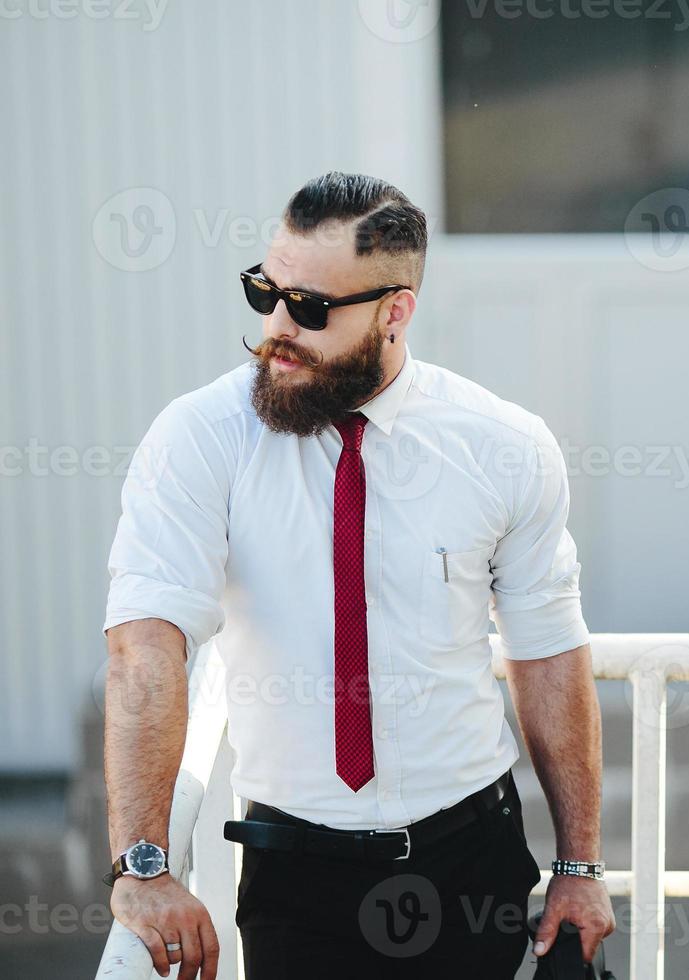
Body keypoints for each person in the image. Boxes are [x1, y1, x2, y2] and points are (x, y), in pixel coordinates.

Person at [101, 173, 613, 979]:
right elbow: (146, 649)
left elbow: (547, 652)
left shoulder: (504, 446)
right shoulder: (199, 439)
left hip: (470, 859)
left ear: (395, 311)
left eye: (309, 310)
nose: (276, 329)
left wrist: (579, 867)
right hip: (295, 872)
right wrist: (144, 864)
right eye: (266, 293)